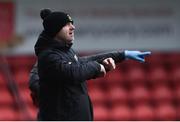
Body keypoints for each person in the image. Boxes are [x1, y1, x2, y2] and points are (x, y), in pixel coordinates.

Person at [29, 8, 151, 120]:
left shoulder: (64, 51)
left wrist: (122, 55)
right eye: (67, 25)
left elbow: (84, 62)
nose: (73, 27)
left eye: (72, 23)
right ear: (55, 30)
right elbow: (73, 72)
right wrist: (98, 67)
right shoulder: (48, 56)